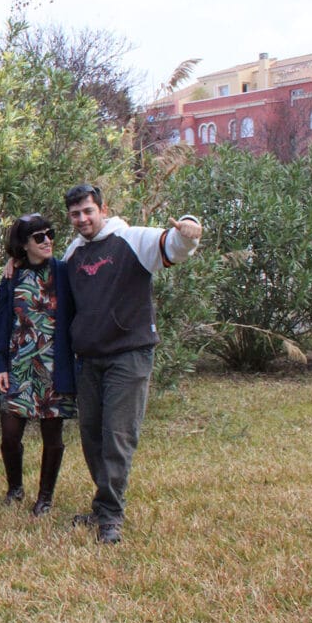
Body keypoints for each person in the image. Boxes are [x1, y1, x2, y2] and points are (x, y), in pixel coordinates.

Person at [58, 183, 202, 544]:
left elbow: (173, 245)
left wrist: (188, 227)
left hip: (129, 354)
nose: (82, 219)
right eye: (75, 214)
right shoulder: (74, 252)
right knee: (92, 437)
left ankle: (110, 516)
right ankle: (102, 506)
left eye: (88, 211)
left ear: (102, 209)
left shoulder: (131, 239)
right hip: (89, 358)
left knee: (117, 436)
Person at [0, 213, 75, 517]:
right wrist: (0, 365)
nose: (47, 241)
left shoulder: (64, 272)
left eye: (50, 234)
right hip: (18, 367)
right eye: (39, 237)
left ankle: (45, 497)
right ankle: (14, 488)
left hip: (55, 368)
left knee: (53, 438)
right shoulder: (12, 276)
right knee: (10, 436)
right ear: (23, 244)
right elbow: (0, 322)